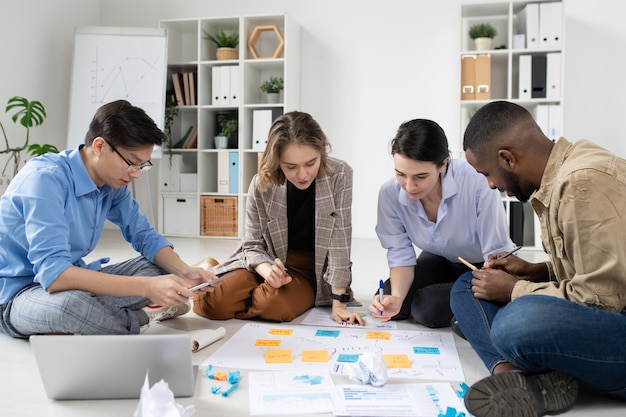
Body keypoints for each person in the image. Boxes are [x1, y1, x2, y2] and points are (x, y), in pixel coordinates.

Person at [452, 100, 626, 417]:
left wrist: (515, 290)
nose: (490, 185)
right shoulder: (560, 175)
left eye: (488, 174)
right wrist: (534, 271)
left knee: (516, 324)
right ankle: (511, 374)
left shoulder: (581, 183)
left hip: (618, 324)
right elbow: (590, 268)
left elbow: (604, 299)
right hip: (608, 309)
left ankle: (518, 351)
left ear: (507, 158)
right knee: (468, 284)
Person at [0, 100, 217, 338]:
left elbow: (144, 235)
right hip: (18, 294)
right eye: (131, 163)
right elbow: (55, 276)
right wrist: (148, 288)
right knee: (70, 307)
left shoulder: (112, 183)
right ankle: (140, 317)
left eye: (142, 165)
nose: (135, 174)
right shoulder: (45, 180)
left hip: (72, 280)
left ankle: (95, 321)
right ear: (100, 146)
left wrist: (184, 271)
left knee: (159, 269)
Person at [193, 111, 364, 325]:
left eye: (311, 163)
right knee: (210, 302)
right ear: (277, 160)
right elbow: (252, 244)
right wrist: (268, 272)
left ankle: (243, 288)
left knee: (274, 308)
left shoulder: (340, 175)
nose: (302, 175)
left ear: (322, 152)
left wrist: (339, 303)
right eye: (290, 167)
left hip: (311, 268)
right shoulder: (261, 183)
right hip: (269, 259)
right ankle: (220, 272)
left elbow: (340, 240)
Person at [367, 119, 516, 328]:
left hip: (483, 266)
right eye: (401, 174)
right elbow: (400, 254)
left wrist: (489, 286)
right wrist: (399, 297)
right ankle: (464, 301)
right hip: (442, 258)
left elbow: (496, 252)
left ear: (443, 163)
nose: (409, 186)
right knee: (389, 301)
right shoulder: (390, 193)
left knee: (427, 308)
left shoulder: (476, 182)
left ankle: (477, 303)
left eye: (420, 176)